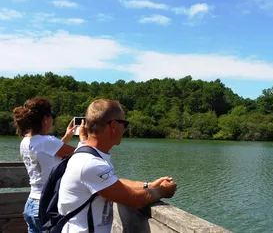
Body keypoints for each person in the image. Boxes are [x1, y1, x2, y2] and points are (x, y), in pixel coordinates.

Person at [58, 99, 177, 233]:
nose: (124, 129)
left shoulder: (86, 153)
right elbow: (134, 199)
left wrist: (149, 185)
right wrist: (162, 190)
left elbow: (114, 183)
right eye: (124, 123)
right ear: (114, 125)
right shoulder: (90, 163)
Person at [13, 97, 86, 233]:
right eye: (51, 116)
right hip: (46, 204)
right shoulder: (48, 141)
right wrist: (83, 137)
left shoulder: (25, 141)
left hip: (31, 204)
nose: (52, 120)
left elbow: (50, 151)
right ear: (45, 118)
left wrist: (67, 136)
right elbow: (83, 154)